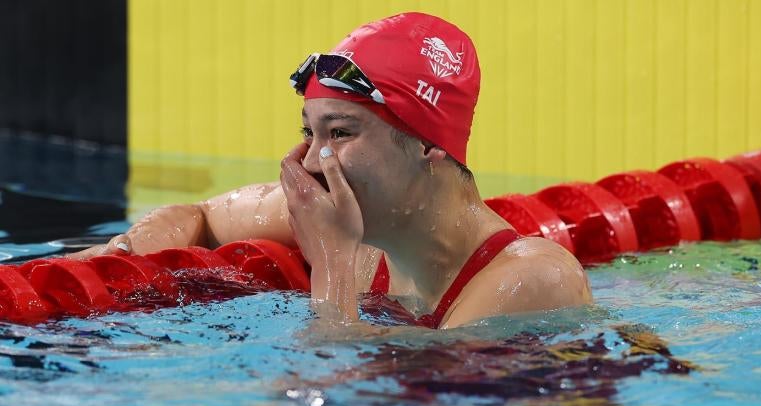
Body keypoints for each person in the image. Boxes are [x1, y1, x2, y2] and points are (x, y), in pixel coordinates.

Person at [71, 12, 591, 328]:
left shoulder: (531, 281)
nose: (316, 160)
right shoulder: (354, 223)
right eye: (309, 133)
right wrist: (116, 256)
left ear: (429, 143)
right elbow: (199, 214)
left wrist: (333, 264)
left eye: (340, 133)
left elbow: (344, 397)